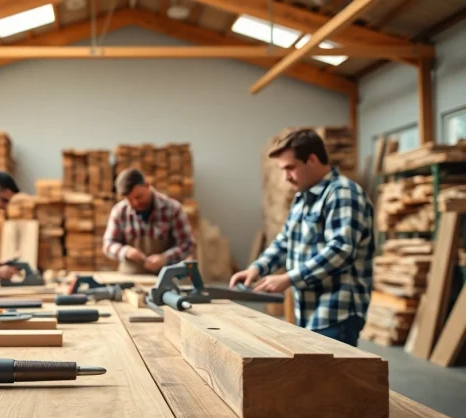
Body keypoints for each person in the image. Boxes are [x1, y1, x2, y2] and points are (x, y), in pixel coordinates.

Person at [229, 128, 374, 347]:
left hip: (337, 313)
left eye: (290, 168)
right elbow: (285, 241)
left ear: (312, 160)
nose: (286, 176)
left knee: (330, 380)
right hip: (309, 312)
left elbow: (341, 250)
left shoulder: (343, 193)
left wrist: (288, 279)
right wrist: (257, 269)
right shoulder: (302, 198)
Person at [102, 168, 196, 274]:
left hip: (166, 278)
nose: (135, 203)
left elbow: (188, 244)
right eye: (129, 199)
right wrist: (125, 251)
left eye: (139, 197)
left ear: (147, 185)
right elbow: (108, 244)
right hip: (130, 278)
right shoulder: (119, 211)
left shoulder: (172, 209)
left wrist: (165, 258)